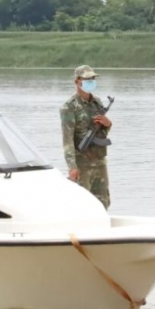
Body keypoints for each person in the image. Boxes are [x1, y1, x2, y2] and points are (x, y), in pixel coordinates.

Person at [61, 65, 112, 208]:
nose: (91, 81)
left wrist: (107, 124)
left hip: (99, 162)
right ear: (77, 81)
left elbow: (102, 134)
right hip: (81, 164)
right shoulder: (69, 107)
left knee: (103, 203)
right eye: (87, 79)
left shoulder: (97, 103)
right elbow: (67, 140)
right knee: (82, 204)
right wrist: (72, 167)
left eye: (93, 79)